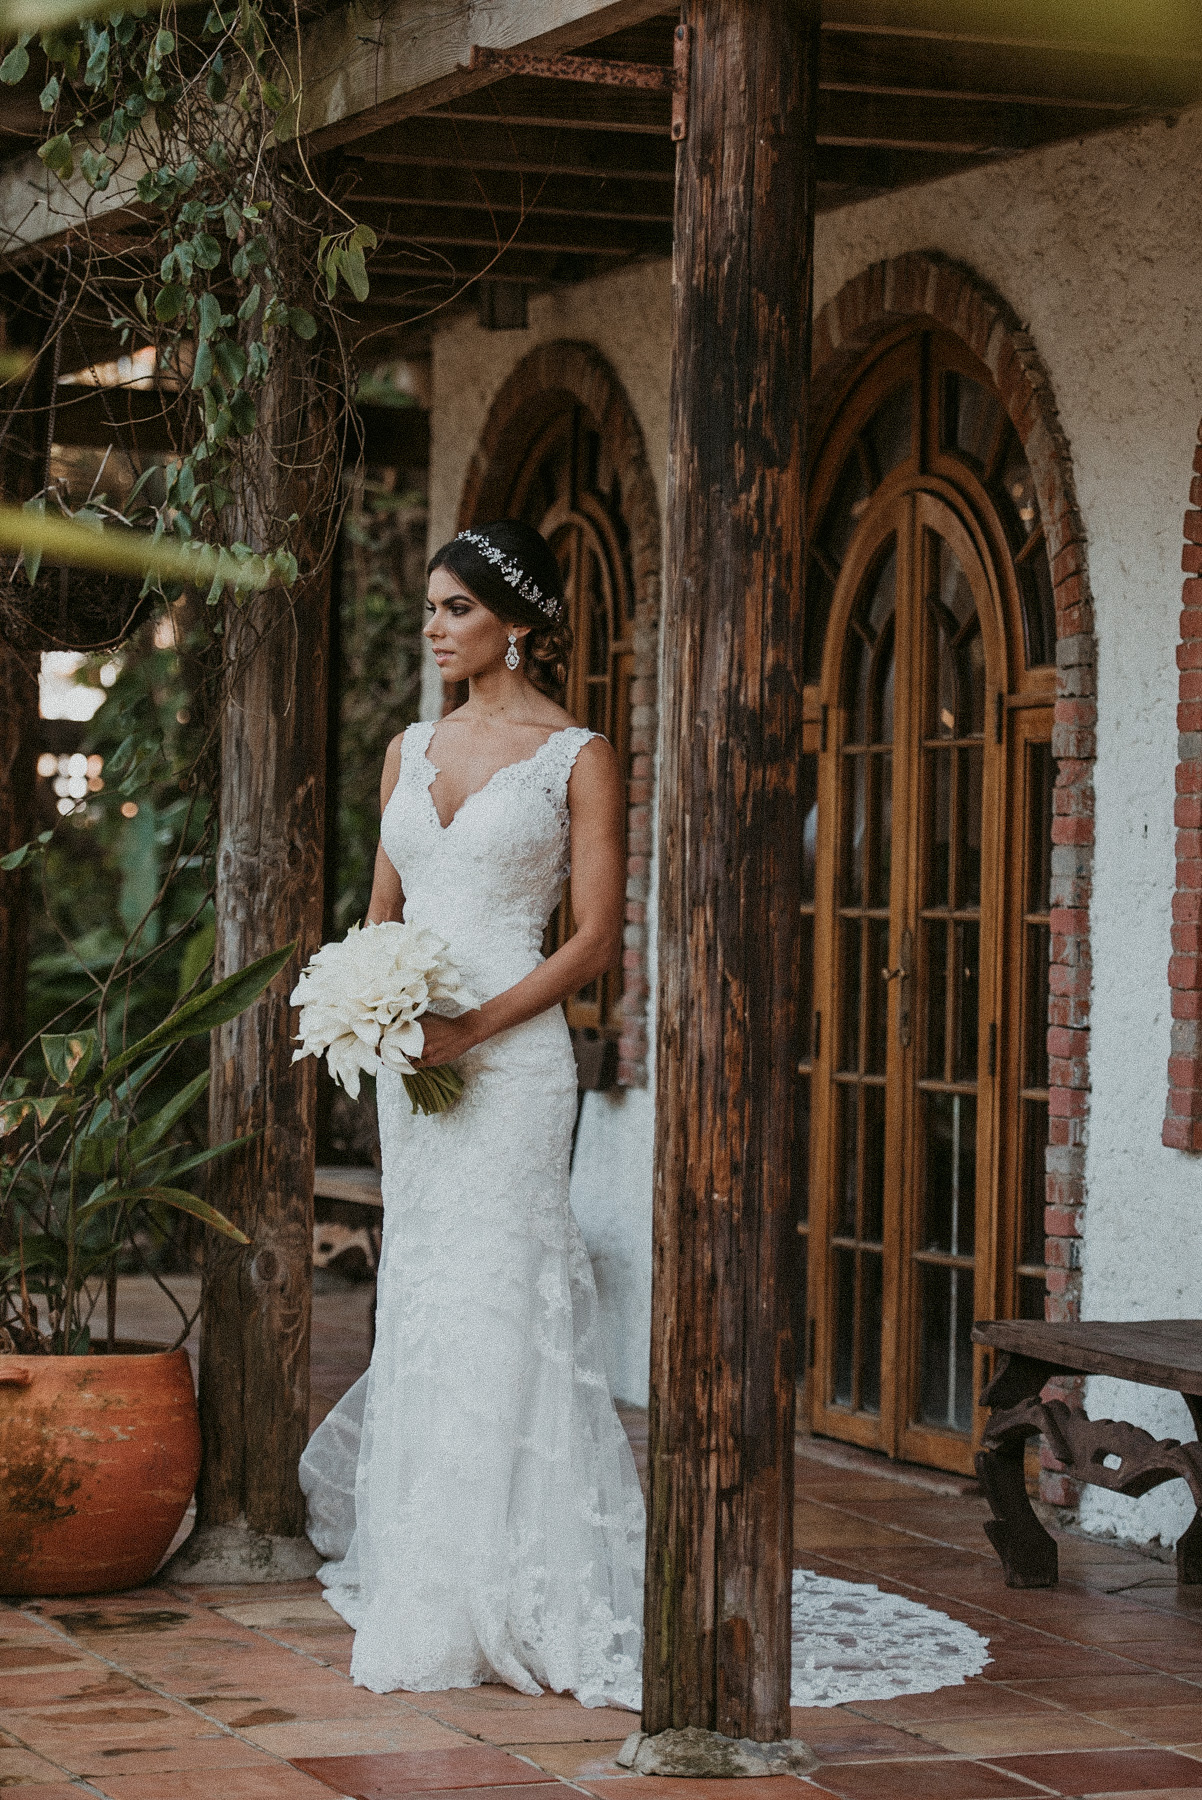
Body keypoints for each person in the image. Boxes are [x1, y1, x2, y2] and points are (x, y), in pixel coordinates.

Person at [299, 520, 645, 1708]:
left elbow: (593, 940)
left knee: (507, 1291)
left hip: (513, 1061)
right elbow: (382, 911)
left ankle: (530, 1578)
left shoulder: (576, 755)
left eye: (454, 608)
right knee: (429, 1293)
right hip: (417, 1066)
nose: (434, 629)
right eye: (431, 610)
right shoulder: (408, 746)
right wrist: (372, 1009)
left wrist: (471, 1027)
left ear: (514, 621)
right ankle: (429, 1576)